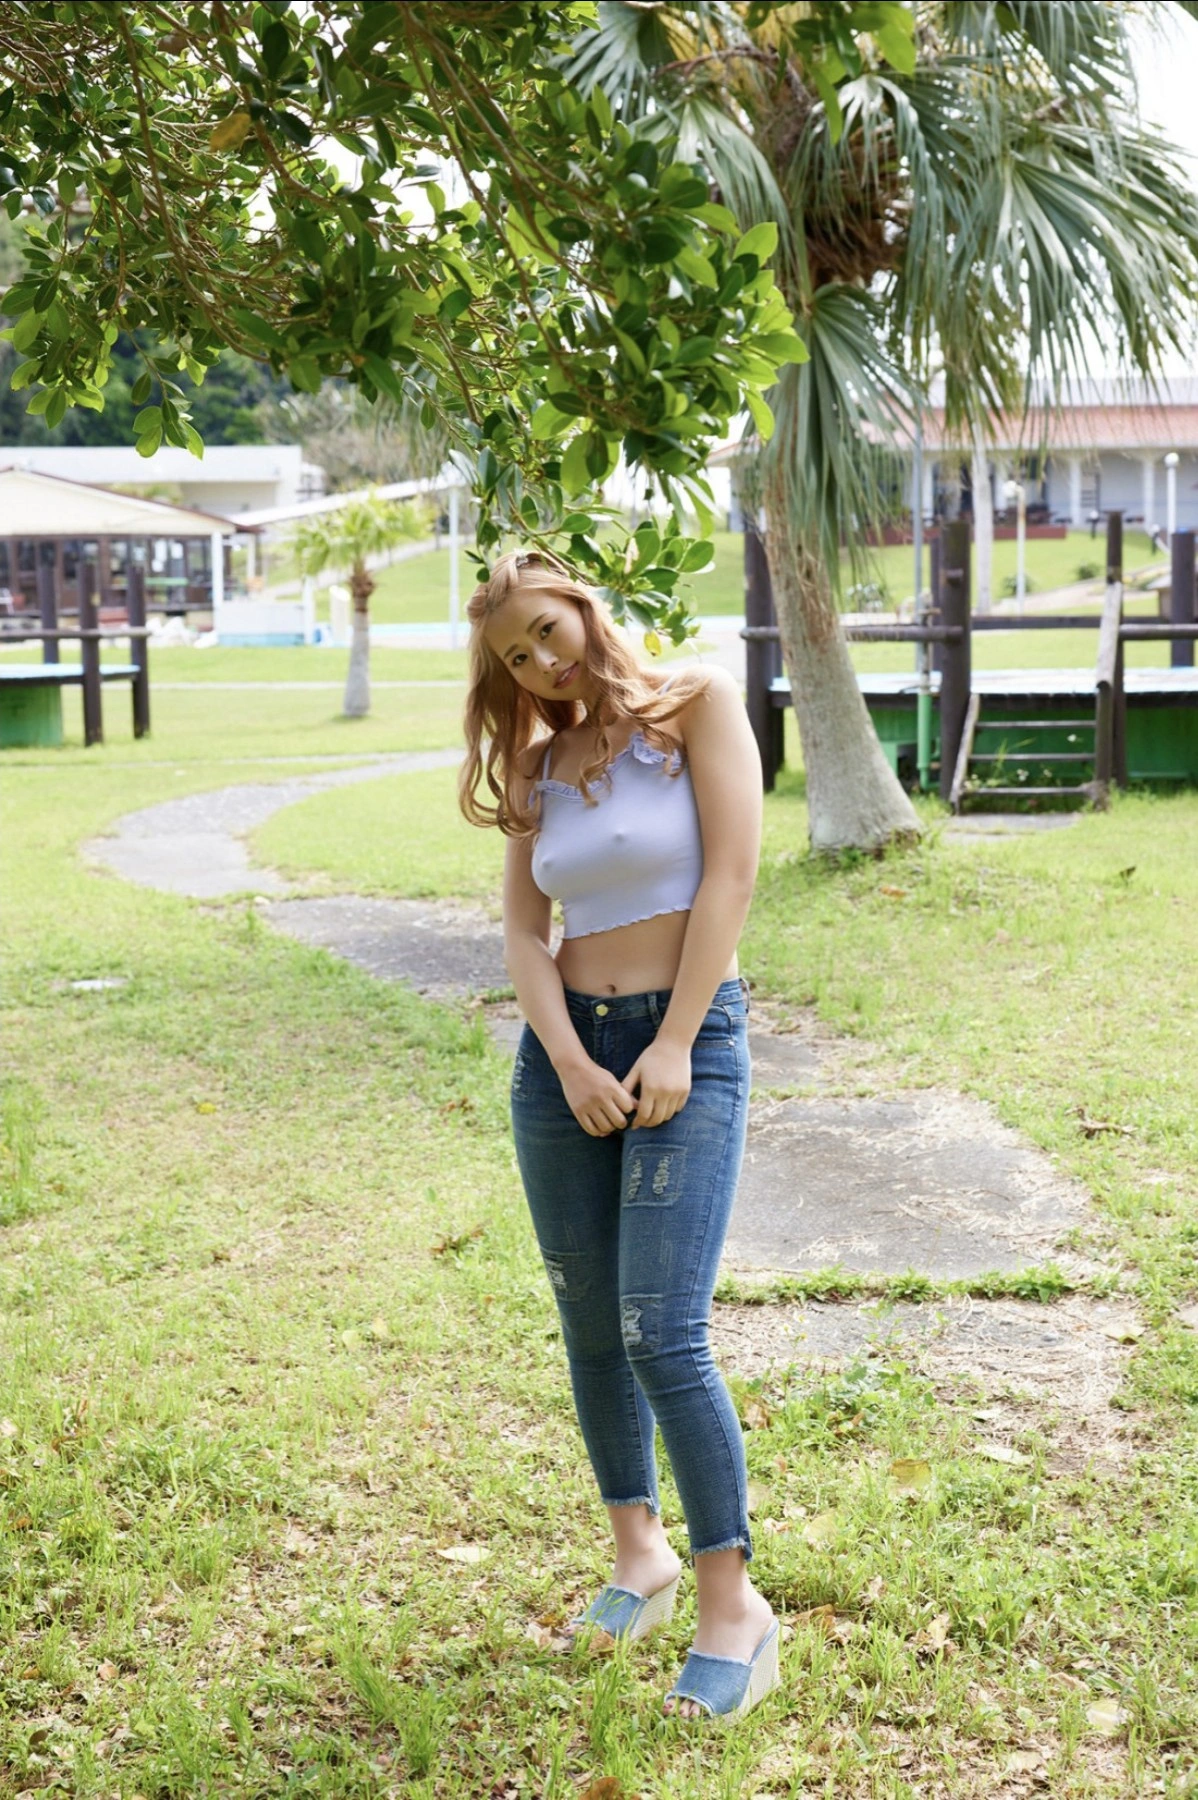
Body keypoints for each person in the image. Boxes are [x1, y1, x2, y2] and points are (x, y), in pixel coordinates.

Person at [459, 549, 775, 1720]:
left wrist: (674, 1041)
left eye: (546, 630)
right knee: (591, 1322)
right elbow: (525, 934)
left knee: (662, 1332)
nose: (540, 661)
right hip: (565, 1063)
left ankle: (732, 1607)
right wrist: (570, 1060)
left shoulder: (696, 703)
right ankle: (637, 1555)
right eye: (515, 656)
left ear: (583, 607)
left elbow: (731, 877)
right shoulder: (536, 767)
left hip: (685, 1041)